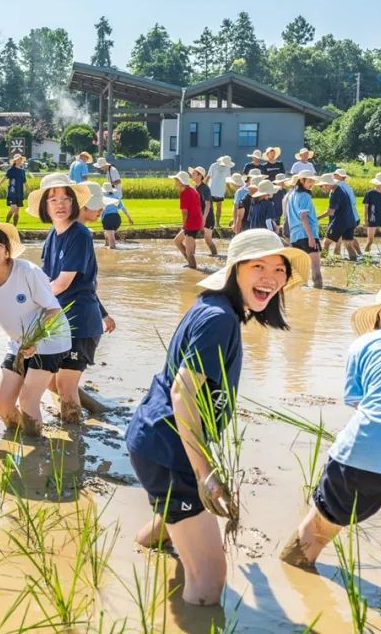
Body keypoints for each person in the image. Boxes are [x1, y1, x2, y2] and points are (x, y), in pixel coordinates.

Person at [127, 229, 308, 606]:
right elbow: (183, 392)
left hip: (154, 439)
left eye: (279, 269)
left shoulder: (215, 308)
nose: (271, 277)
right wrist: (205, 472)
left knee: (168, 523)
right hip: (169, 447)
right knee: (210, 583)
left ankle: (130, 566)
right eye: (258, 266)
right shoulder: (219, 319)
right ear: (235, 270)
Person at [280, 283, 381, 569]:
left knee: (317, 532)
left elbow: (359, 402)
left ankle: (294, 578)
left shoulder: (366, 343)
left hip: (365, 452)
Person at [0, 219, 70, 437]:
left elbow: (53, 310)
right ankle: (24, 439)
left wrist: (34, 340)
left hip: (50, 339)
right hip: (19, 344)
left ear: (7, 249)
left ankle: (37, 450)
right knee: (2, 402)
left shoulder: (27, 271)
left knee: (28, 400)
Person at [27, 173, 101, 424]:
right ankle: (98, 411)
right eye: (53, 199)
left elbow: (61, 283)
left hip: (79, 322)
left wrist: (29, 304)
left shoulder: (79, 234)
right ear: (44, 206)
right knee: (51, 381)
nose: (60, 204)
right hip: (58, 321)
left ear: (74, 204)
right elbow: (45, 279)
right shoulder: (53, 235)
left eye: (66, 199)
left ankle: (73, 444)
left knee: (65, 386)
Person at [285, 172, 324, 288]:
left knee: (299, 273)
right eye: (309, 181)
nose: (312, 183)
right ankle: (318, 296)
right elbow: (303, 217)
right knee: (316, 269)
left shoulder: (291, 195)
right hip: (307, 235)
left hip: (295, 236)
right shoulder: (305, 196)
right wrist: (311, 237)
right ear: (301, 181)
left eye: (313, 181)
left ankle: (300, 299)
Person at [319, 173, 360, 260]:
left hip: (340, 222)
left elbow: (330, 212)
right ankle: (354, 263)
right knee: (348, 245)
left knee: (326, 243)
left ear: (328, 184)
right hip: (350, 221)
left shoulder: (335, 193)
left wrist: (316, 218)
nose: (321, 188)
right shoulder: (340, 189)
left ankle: (321, 264)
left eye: (321, 186)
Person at [170, 171, 203, 269]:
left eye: (176, 180)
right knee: (177, 241)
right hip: (196, 221)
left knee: (189, 252)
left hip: (191, 223)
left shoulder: (184, 193)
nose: (175, 182)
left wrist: (184, 225)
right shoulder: (193, 190)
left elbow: (185, 212)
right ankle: (190, 263)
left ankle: (193, 268)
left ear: (181, 181)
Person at [190, 167, 219, 257]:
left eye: (194, 173)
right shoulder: (195, 187)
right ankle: (192, 256)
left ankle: (215, 255)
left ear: (200, 176)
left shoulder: (205, 188)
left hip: (207, 218)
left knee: (208, 240)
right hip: (198, 217)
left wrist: (204, 219)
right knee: (191, 237)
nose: (192, 175)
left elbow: (208, 205)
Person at [0, 154, 28, 226]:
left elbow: (25, 182)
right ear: (15, 161)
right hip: (12, 192)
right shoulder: (11, 170)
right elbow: (4, 178)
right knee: (13, 208)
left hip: (20, 192)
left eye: (20, 159)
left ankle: (14, 227)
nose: (19, 160)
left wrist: (29, 190)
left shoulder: (22, 171)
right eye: (18, 159)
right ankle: (6, 224)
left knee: (17, 211)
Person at [100, 182, 134, 249]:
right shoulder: (116, 197)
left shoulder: (102, 198)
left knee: (112, 246)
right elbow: (123, 208)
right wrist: (129, 218)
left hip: (107, 219)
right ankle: (106, 242)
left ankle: (110, 250)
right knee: (108, 232)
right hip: (117, 219)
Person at [205, 156, 233, 229]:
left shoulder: (227, 168)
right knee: (209, 207)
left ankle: (217, 223)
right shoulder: (213, 166)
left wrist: (229, 190)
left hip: (220, 190)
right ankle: (207, 222)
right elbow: (208, 177)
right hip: (211, 189)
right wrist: (203, 186)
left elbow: (227, 180)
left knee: (219, 207)